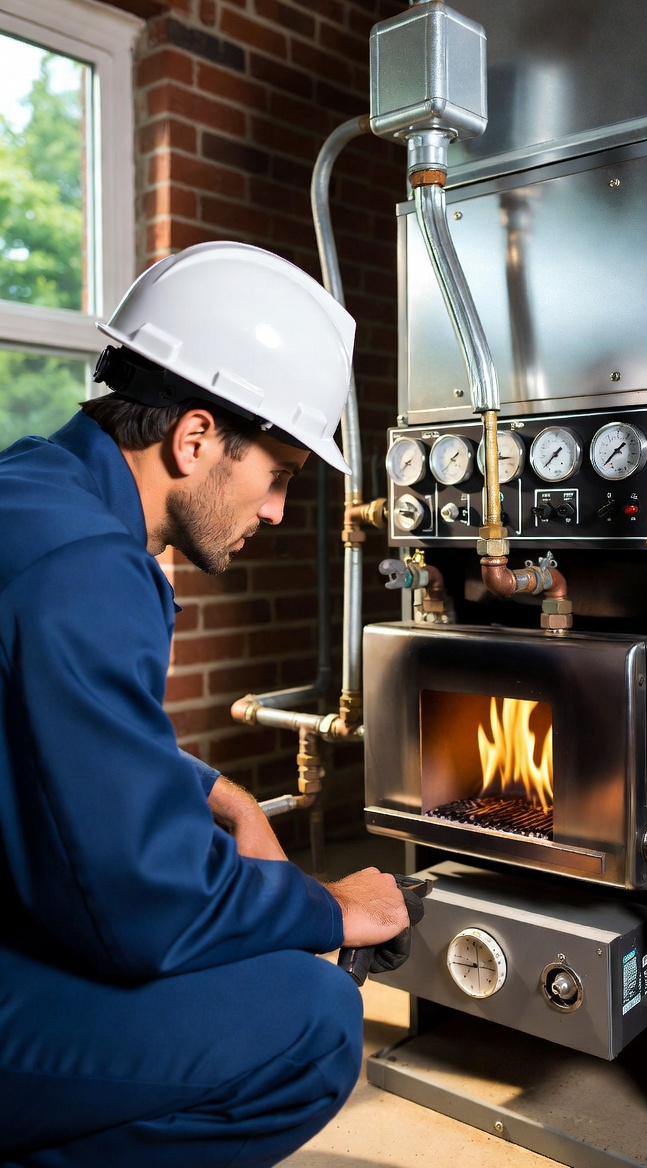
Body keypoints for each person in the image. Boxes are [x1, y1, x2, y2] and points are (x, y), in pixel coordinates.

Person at [0, 242, 409, 1168]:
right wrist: (327, 906)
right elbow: (146, 909)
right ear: (194, 440)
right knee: (309, 1021)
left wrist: (221, 796)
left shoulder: (36, 490)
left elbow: (36, 731)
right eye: (279, 477)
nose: (275, 512)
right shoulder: (86, 569)